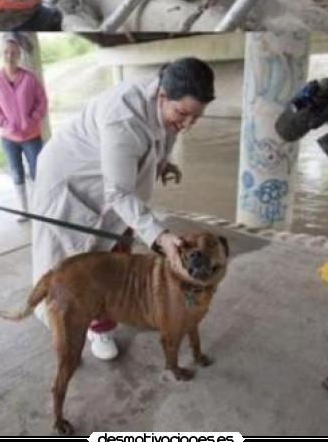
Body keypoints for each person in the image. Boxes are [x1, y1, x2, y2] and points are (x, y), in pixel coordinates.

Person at [30, 55, 215, 313]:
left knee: (119, 243)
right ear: (161, 95)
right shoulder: (124, 118)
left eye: (196, 117)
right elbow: (118, 193)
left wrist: (162, 162)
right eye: (182, 114)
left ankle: (112, 307)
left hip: (110, 177)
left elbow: (165, 132)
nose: (186, 125)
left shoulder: (165, 98)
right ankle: (89, 323)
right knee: (77, 259)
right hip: (71, 179)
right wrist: (161, 237)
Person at [0, 43, 49, 220]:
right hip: (8, 137)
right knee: (16, 171)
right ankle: (24, 209)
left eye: (14, 52)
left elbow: (42, 101)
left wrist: (32, 120)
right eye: (6, 52)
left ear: (19, 55)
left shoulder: (30, 78)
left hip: (31, 136)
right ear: (0, 54)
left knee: (38, 170)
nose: (10, 56)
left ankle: (40, 207)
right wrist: (2, 122)